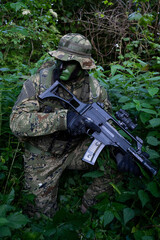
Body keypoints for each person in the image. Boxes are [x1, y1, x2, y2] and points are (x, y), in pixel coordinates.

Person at [10, 33, 140, 217]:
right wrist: (63, 119)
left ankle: (91, 212)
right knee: (39, 217)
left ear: (83, 65)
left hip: (75, 150)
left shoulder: (95, 91)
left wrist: (119, 153)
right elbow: (17, 122)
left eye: (70, 63)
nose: (61, 66)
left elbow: (108, 126)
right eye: (59, 60)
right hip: (43, 155)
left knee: (114, 161)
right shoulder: (38, 82)